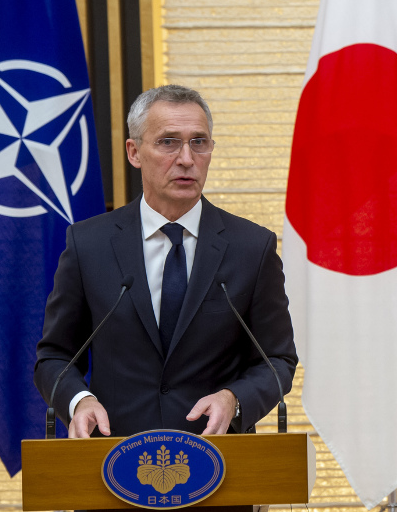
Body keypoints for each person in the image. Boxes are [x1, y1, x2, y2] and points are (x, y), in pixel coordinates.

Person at [34, 84, 296, 438]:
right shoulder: (88, 244)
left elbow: (277, 360)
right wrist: (79, 400)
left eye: (198, 142)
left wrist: (234, 399)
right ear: (134, 152)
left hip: (220, 462)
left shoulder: (251, 247)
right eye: (168, 142)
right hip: (114, 460)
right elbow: (55, 356)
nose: (187, 158)